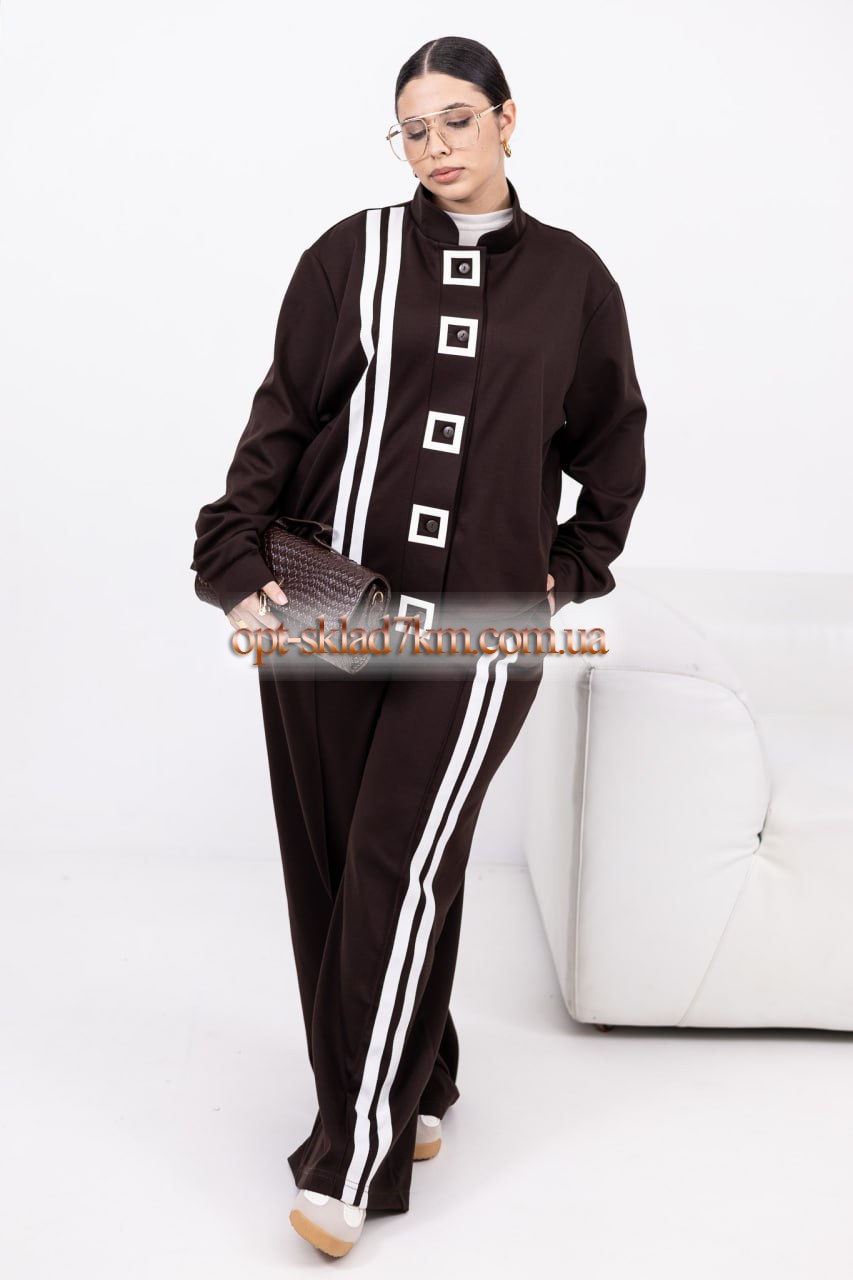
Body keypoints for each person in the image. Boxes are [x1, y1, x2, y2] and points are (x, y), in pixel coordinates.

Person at [190, 34, 647, 1258]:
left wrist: (568, 568)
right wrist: (233, 564)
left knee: (395, 858)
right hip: (328, 600)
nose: (435, 146)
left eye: (456, 119)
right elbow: (282, 424)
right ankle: (424, 1070)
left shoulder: (573, 279)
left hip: (481, 621)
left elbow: (612, 444)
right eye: (412, 129)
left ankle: (352, 1150)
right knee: (340, 866)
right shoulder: (350, 254)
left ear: (506, 118)